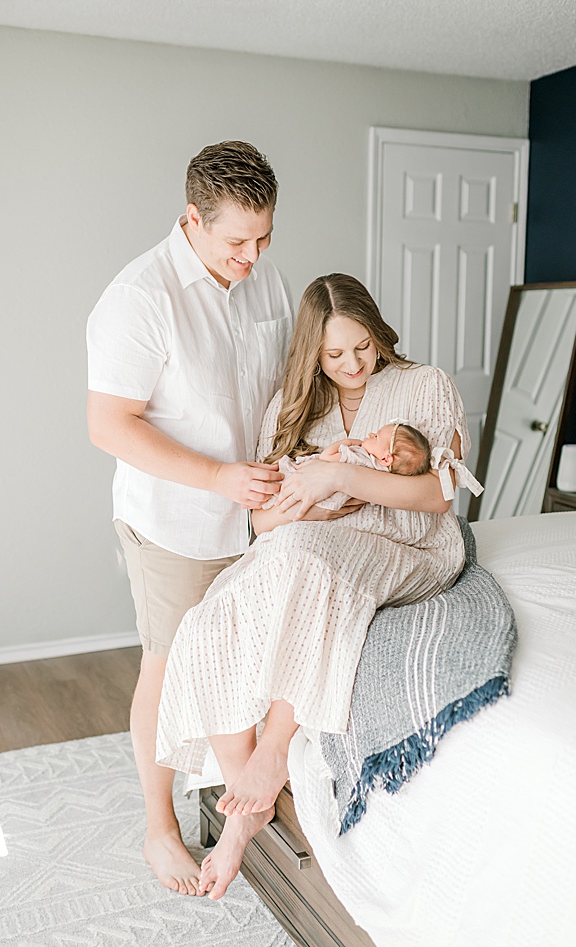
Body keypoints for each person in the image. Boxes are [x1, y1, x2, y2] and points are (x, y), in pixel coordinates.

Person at [154, 273, 483, 901]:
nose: (353, 364)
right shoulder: (291, 406)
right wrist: (304, 503)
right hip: (307, 536)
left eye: (362, 346)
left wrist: (341, 475)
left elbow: (440, 495)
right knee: (208, 619)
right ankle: (241, 805)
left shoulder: (423, 384)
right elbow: (259, 521)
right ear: (314, 353)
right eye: (335, 354)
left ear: (377, 332)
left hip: (407, 542)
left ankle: (273, 751)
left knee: (305, 561)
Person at [84, 140, 300, 896]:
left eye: (265, 235)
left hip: (253, 518)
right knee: (170, 664)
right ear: (191, 219)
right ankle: (159, 827)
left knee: (244, 660)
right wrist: (217, 475)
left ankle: (238, 787)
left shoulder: (264, 277)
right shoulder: (139, 299)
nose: (253, 253)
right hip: (173, 522)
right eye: (237, 240)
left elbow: (280, 384)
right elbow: (110, 425)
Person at [263, 421, 435, 512]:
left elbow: (326, 459)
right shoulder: (382, 476)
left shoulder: (358, 458)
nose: (370, 434)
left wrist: (345, 443)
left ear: (386, 458)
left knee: (278, 480)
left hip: (308, 483)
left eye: (375, 437)